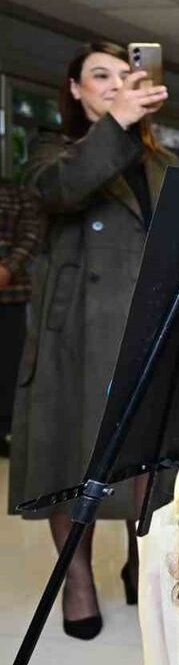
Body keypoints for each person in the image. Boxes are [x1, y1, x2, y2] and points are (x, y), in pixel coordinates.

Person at [9, 40, 173, 640]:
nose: (112, 85)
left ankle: (142, 561)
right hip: (73, 337)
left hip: (146, 326)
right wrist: (120, 124)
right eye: (98, 76)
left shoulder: (158, 160)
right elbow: (59, 190)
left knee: (147, 465)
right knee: (66, 462)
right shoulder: (52, 151)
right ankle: (77, 583)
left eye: (122, 75)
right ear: (75, 91)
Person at [0, 177, 43, 459]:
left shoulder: (15, 190)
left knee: (7, 367)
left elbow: (31, 232)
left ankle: (3, 431)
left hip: (10, 295)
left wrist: (8, 268)